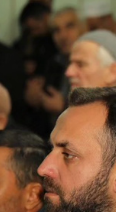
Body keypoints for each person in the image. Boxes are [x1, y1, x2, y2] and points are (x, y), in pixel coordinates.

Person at [25, 7, 86, 139]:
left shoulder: (97, 63)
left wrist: (63, 107)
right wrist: (34, 100)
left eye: (70, 26)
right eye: (56, 30)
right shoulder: (52, 63)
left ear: (84, 28)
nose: (63, 36)